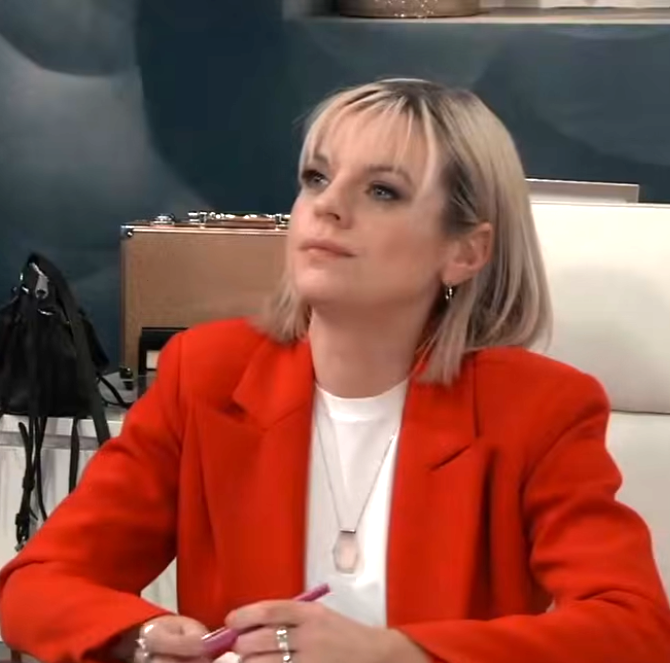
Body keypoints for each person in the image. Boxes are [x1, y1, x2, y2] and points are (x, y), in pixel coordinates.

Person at [1, 78, 669, 663]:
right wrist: (142, 636)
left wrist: (394, 653)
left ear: (466, 251)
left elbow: (634, 630)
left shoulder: (538, 409)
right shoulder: (204, 375)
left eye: (382, 191)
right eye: (316, 178)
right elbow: (35, 585)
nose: (328, 206)